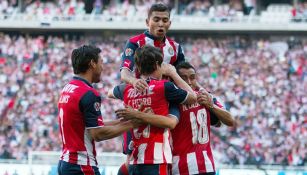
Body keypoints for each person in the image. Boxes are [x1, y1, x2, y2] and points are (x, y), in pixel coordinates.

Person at [110, 45, 197, 175]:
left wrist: (132, 81)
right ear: (158, 64)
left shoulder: (126, 89)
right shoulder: (164, 87)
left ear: (138, 67)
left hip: (133, 159)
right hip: (155, 159)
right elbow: (193, 97)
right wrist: (173, 73)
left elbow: (110, 93)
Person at [57, 45, 137, 175]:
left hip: (66, 162)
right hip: (81, 165)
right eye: (101, 62)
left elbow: (86, 126)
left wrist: (122, 122)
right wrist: (135, 124)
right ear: (92, 64)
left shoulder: (68, 88)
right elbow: (98, 134)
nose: (102, 67)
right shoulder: (88, 93)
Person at [171, 62, 235, 175]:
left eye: (192, 78)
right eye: (184, 78)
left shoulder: (205, 97)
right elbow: (221, 122)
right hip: (196, 166)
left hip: (191, 167)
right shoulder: (175, 99)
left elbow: (230, 120)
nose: (189, 82)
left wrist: (211, 106)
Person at [120, 3, 186, 91]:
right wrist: (134, 81)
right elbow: (125, 72)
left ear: (169, 24)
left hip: (169, 98)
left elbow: (184, 75)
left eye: (165, 20)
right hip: (142, 95)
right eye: (156, 20)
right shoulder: (135, 43)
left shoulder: (176, 47)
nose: (161, 24)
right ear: (147, 22)